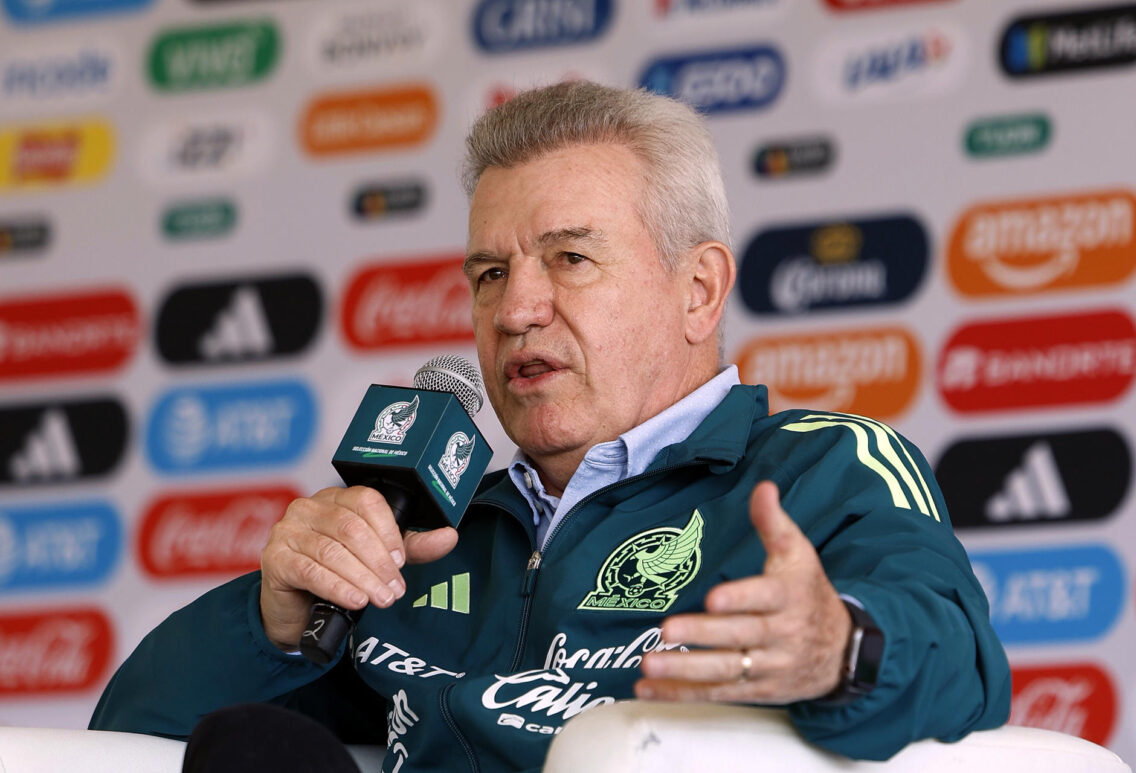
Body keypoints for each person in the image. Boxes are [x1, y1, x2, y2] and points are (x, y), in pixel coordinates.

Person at [91, 81, 1011, 770]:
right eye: (490, 274)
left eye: (569, 258)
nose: (516, 310)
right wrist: (274, 618)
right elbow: (132, 737)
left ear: (698, 290)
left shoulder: (823, 469)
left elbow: (965, 666)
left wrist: (839, 647)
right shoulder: (427, 535)